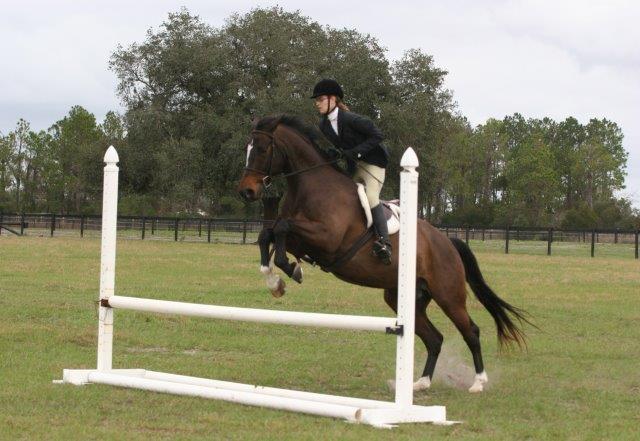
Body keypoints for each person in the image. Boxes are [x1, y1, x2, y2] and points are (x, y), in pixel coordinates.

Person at [311, 78, 392, 264]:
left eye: (320, 99)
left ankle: (385, 243)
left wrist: (355, 152)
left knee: (371, 197)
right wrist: (336, 153)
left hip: (374, 163)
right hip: (354, 167)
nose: (317, 103)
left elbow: (378, 136)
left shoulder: (351, 119)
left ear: (333, 99)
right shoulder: (324, 125)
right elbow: (342, 146)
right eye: (317, 100)